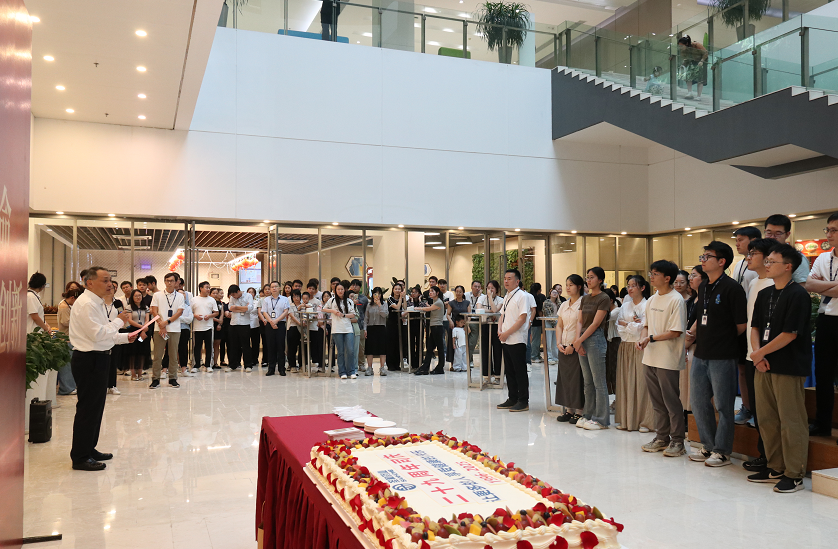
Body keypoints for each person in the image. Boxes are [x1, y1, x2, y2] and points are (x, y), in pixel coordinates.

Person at [748, 244, 812, 493]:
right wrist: (757, 356)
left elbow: (790, 334)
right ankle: (775, 466)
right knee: (767, 418)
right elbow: (755, 327)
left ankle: (794, 473)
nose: (767, 264)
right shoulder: (765, 293)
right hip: (763, 364)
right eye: (767, 261)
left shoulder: (798, 294)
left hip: (788, 364)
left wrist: (759, 353)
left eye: (771, 261)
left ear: (788, 266)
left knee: (791, 420)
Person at [68, 267, 136, 470]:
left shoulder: (96, 302)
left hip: (99, 357)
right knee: (88, 409)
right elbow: (98, 334)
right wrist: (119, 321)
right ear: (89, 283)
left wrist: (125, 338)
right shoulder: (86, 304)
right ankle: (80, 456)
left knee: (96, 409)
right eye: (105, 280)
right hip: (89, 360)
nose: (109, 284)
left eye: (110, 280)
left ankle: (89, 448)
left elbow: (105, 335)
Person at [687, 241, 748, 466]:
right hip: (701, 352)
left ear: (722, 261)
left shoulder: (732, 288)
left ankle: (722, 451)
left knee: (723, 404)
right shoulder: (703, 286)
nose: (703, 260)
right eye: (702, 256)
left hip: (723, 354)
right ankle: (708, 445)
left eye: (707, 257)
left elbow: (741, 324)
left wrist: (723, 339)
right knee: (699, 401)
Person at [637, 260, 688, 458]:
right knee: (657, 401)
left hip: (668, 358)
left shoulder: (676, 300)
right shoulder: (651, 300)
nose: (651, 276)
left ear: (667, 278)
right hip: (650, 357)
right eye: (651, 273)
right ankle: (661, 437)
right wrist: (643, 338)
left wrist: (650, 338)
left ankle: (678, 441)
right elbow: (646, 325)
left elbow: (676, 331)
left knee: (671, 401)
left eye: (655, 273)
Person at [741, 238, 776, 470]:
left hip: (766, 356)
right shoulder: (754, 282)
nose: (748, 257)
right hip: (751, 354)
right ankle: (764, 454)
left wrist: (760, 353)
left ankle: (772, 458)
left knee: (769, 411)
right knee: (758, 410)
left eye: (753, 253)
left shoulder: (774, 284)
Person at [807, 212, 838, 438]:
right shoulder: (823, 258)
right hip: (826, 320)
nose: (829, 234)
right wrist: (833, 285)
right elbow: (809, 285)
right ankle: (822, 423)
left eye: (834, 230)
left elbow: (817, 285)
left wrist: (823, 285)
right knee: (823, 374)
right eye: (827, 230)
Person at [573, 267, 611, 430]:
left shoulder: (604, 298)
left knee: (598, 381)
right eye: (587, 277)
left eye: (592, 277)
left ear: (600, 280)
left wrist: (579, 340)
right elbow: (580, 321)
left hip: (595, 339)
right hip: (582, 338)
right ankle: (587, 414)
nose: (588, 280)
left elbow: (596, 323)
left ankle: (601, 419)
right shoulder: (585, 298)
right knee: (587, 381)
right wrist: (577, 340)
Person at [615, 275, 654, 432]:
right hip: (625, 346)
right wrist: (632, 325)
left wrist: (627, 324)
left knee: (641, 383)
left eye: (633, 285)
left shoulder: (647, 304)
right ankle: (627, 419)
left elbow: (644, 328)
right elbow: (619, 327)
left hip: (641, 346)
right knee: (626, 382)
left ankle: (645, 421)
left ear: (642, 288)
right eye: (628, 285)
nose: (629, 288)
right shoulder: (625, 305)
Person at [731, 226, 762, 426]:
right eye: (736, 240)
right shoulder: (739, 264)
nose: (737, 243)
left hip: (753, 324)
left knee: (753, 369)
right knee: (742, 368)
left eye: (741, 239)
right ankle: (747, 406)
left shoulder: (758, 271)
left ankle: (758, 410)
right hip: (741, 321)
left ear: (754, 240)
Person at [497, 269, 531, 412]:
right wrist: (500, 330)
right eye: (505, 278)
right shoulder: (507, 296)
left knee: (519, 371)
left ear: (517, 281)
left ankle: (523, 400)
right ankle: (512, 398)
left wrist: (507, 333)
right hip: (506, 339)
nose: (506, 281)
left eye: (509, 278)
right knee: (509, 371)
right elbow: (502, 316)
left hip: (517, 339)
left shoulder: (522, 296)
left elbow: (522, 319)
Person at [555, 275, 585, 423]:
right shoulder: (564, 304)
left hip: (576, 347)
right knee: (565, 379)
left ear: (579, 287)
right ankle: (568, 410)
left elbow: (582, 325)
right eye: (567, 284)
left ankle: (579, 411)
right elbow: (559, 325)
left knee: (577, 379)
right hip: (564, 346)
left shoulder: (583, 303)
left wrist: (573, 345)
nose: (567, 287)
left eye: (571, 285)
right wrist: (558, 343)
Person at [150, 273, 185, 389]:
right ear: (164, 282)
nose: (169, 283)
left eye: (172, 281)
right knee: (157, 355)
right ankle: (155, 379)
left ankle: (173, 378)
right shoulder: (157, 295)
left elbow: (179, 312)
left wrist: (167, 322)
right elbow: (154, 311)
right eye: (167, 280)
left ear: (176, 282)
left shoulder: (180, 296)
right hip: (159, 329)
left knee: (173, 355)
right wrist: (162, 325)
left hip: (174, 329)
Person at [681, 266, 708, 414]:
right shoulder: (691, 300)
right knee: (685, 383)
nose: (690, 278)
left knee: (695, 384)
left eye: (694, 275)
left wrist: (685, 344)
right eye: (690, 275)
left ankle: (694, 414)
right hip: (686, 345)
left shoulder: (705, 299)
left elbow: (696, 327)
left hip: (697, 346)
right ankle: (686, 413)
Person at [323, 280, 357, 379]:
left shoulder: (349, 301)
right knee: (340, 351)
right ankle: (342, 372)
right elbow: (324, 309)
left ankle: (351, 371)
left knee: (350, 350)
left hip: (348, 329)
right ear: (335, 290)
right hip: (337, 329)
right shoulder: (332, 300)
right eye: (338, 289)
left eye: (342, 289)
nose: (340, 291)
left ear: (344, 290)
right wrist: (333, 311)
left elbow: (353, 314)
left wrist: (344, 315)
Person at [764, 214, 810, 283]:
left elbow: (802, 284)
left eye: (778, 233)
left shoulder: (794, 256)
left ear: (787, 234)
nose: (772, 237)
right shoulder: (762, 253)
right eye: (769, 233)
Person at [414, 286, 446, 376]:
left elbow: (428, 309)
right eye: (429, 291)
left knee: (439, 348)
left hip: (437, 327)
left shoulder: (438, 302)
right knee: (430, 348)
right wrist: (428, 306)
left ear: (437, 293)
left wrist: (418, 308)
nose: (430, 293)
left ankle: (440, 367)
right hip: (434, 327)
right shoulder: (435, 302)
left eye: (432, 291)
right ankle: (425, 367)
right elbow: (431, 308)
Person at [477, 280, 504, 379]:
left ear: (497, 289)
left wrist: (490, 299)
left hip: (496, 325)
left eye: (492, 288)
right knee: (485, 350)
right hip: (484, 324)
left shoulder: (500, 299)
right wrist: (491, 311)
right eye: (488, 288)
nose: (490, 290)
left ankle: (498, 374)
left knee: (497, 349)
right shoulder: (481, 298)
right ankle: (486, 374)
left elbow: (496, 310)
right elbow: (479, 310)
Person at [56, 287, 81, 395]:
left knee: (71, 364)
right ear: (72, 298)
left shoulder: (68, 305)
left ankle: (71, 386)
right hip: (65, 338)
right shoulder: (64, 306)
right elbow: (65, 322)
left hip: (71, 337)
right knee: (66, 366)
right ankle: (66, 388)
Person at [226, 284, 255, 372]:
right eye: (231, 295)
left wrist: (237, 307)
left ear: (238, 291)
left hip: (244, 323)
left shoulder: (248, 296)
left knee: (246, 345)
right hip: (234, 323)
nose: (233, 296)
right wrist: (243, 308)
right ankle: (233, 365)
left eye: (234, 294)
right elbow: (230, 308)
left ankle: (248, 365)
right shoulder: (232, 298)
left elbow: (250, 308)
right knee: (233, 345)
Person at [192, 281, 219, 373]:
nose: (208, 289)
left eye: (209, 287)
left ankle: (208, 365)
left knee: (209, 346)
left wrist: (209, 316)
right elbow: (189, 312)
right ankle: (196, 365)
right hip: (197, 327)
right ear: (201, 288)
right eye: (206, 287)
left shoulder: (212, 300)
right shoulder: (194, 299)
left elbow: (216, 312)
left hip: (208, 327)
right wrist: (195, 316)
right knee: (197, 347)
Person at [265, 284, 291, 376]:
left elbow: (286, 311)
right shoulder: (266, 300)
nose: (274, 288)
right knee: (270, 347)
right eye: (272, 287)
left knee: (281, 347)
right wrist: (271, 322)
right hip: (270, 324)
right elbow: (264, 312)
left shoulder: (284, 299)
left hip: (280, 324)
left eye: (276, 286)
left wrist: (276, 321)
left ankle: (281, 369)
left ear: (280, 288)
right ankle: (271, 369)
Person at [125, 289, 151, 381]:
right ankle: (133, 374)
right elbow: (130, 320)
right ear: (132, 297)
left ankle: (140, 373)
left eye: (139, 295)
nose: (138, 297)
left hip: (143, 332)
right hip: (133, 331)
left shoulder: (146, 307)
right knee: (132, 352)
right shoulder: (129, 307)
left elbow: (147, 319)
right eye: (135, 296)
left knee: (142, 352)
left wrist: (144, 329)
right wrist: (141, 327)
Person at [364, 287, 388, 377]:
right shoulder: (369, 305)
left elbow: (385, 315)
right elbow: (366, 318)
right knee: (369, 349)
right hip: (370, 328)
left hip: (381, 327)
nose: (377, 295)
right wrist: (365, 329)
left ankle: (382, 368)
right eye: (375, 293)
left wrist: (379, 305)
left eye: (379, 293)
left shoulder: (384, 304)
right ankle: (370, 368)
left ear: (381, 295)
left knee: (382, 349)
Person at [677, 35, 708, 101]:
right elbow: (686, 58)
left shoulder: (696, 45)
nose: (680, 48)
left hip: (701, 62)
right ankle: (690, 92)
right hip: (692, 62)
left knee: (700, 79)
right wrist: (683, 65)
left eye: (681, 46)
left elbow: (705, 53)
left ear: (686, 44)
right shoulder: (684, 51)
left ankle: (699, 96)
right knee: (688, 76)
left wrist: (702, 61)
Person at [447, 285, 470, 370]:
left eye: (460, 292)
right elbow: (448, 314)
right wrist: (450, 321)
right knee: (453, 344)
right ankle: (453, 365)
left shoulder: (467, 302)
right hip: (454, 325)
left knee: (463, 345)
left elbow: (469, 315)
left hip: (464, 325)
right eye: (457, 292)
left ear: (463, 292)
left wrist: (466, 324)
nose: (458, 293)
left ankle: (464, 365)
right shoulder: (451, 303)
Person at [604, 288, 621, 399]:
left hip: (615, 341)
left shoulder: (617, 310)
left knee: (614, 368)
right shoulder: (608, 310)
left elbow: (605, 318)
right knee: (608, 368)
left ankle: (617, 396)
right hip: (608, 341)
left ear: (610, 300)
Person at [386, 283, 405, 371]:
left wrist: (403, 298)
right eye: (396, 289)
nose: (397, 291)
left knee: (399, 343)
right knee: (391, 344)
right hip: (391, 323)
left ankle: (397, 364)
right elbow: (397, 307)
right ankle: (390, 364)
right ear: (393, 290)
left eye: (399, 289)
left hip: (400, 322)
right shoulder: (390, 299)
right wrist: (401, 298)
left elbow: (405, 307)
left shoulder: (402, 298)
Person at [306, 281, 325, 371]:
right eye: (309, 288)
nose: (311, 290)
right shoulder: (303, 300)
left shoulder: (317, 301)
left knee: (315, 344)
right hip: (305, 326)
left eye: (313, 289)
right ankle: (305, 362)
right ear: (307, 289)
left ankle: (315, 360)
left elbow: (319, 313)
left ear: (315, 290)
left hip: (314, 325)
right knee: (305, 345)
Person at [350, 279, 368, 372]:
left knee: (361, 346)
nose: (354, 287)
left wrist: (365, 326)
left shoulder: (364, 299)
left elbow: (366, 313)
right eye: (353, 285)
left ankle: (361, 364)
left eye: (357, 285)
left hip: (360, 325)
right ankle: (351, 364)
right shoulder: (346, 297)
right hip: (348, 325)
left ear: (360, 287)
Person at [529, 283, 546, 364]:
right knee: (536, 339)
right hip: (536, 321)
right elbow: (539, 311)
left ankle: (537, 355)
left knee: (535, 339)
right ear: (539, 290)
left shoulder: (529, 297)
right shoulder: (536, 298)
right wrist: (543, 319)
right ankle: (534, 356)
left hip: (531, 321)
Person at [542, 289, 560, 366]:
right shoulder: (547, 302)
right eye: (553, 292)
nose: (554, 294)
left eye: (556, 292)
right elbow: (547, 313)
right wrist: (554, 323)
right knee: (548, 340)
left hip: (557, 321)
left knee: (555, 341)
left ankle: (555, 357)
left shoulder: (558, 303)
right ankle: (549, 358)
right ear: (550, 294)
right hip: (549, 322)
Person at [467, 281, 483, 362]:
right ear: (471, 287)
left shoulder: (483, 297)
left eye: (479, 287)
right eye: (475, 286)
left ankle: (469, 360)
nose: (477, 288)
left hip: (480, 320)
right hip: (468, 320)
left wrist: (479, 298)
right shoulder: (466, 295)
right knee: (469, 342)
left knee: (473, 342)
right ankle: (468, 360)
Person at [213, 288, 228, 368]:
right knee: (210, 345)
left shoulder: (220, 303)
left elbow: (222, 314)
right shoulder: (209, 302)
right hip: (211, 324)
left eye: (216, 293)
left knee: (217, 345)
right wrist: (217, 320)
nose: (216, 295)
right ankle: (209, 362)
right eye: (214, 293)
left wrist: (220, 323)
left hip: (219, 325)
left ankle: (215, 363)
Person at [247, 287, 262, 367]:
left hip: (255, 324)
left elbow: (259, 313)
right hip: (246, 324)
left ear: (254, 294)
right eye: (249, 292)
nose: (251, 293)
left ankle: (255, 359)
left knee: (255, 343)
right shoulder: (244, 302)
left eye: (252, 292)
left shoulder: (257, 302)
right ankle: (248, 359)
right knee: (246, 343)